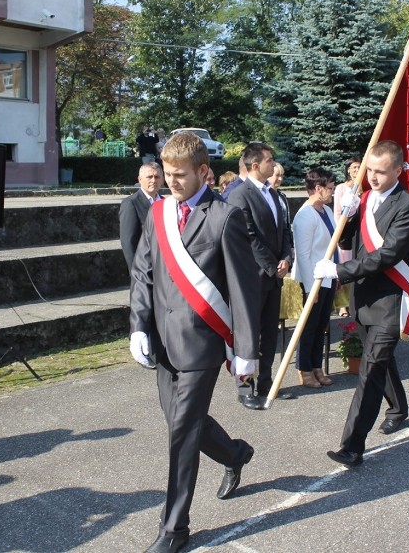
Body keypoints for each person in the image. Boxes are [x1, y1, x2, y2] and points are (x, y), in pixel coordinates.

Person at [129, 132, 261, 553]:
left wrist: (246, 351)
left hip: (203, 345)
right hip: (164, 344)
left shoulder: (225, 216)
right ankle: (235, 454)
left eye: (179, 175)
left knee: (182, 432)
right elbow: (143, 273)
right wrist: (137, 326)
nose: (171, 182)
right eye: (166, 174)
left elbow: (243, 290)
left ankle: (174, 529)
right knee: (182, 425)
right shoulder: (159, 214)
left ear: (203, 171)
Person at [314, 141, 409, 466]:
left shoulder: (408, 206)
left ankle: (352, 446)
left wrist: (339, 270)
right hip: (363, 298)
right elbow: (349, 241)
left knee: (371, 369)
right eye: (369, 170)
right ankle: (399, 407)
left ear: (398, 171)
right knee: (382, 363)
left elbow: (387, 255)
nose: (372, 177)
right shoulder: (363, 199)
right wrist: (346, 217)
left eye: (380, 171)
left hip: (390, 300)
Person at [227, 142, 295, 409]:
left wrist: (287, 259)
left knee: (269, 333)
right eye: (269, 160)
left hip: (274, 275)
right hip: (252, 277)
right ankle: (245, 387)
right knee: (248, 334)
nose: (273, 163)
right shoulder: (240, 195)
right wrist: (271, 265)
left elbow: (285, 232)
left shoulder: (274, 194)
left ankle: (266, 383)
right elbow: (249, 236)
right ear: (255, 165)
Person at [291, 167, 338, 388]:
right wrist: (311, 288)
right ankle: (304, 368)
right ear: (318, 189)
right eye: (330, 188)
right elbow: (303, 255)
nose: (333, 192)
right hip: (311, 281)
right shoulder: (305, 215)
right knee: (308, 327)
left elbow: (332, 244)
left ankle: (317, 365)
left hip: (327, 277)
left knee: (322, 325)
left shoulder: (326, 211)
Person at [119, 162, 164, 274]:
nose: (154, 180)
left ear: (162, 180)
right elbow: (128, 241)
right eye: (149, 177)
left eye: (157, 177)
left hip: (164, 268)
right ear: (139, 179)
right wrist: (136, 272)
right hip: (144, 268)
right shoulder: (131, 203)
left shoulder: (166, 203)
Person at [332, 156, 361, 317]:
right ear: (348, 170)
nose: (356, 170)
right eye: (354, 168)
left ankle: (353, 301)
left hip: (358, 231)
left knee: (355, 265)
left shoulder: (365, 187)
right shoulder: (341, 188)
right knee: (343, 266)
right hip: (344, 232)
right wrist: (338, 231)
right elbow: (337, 211)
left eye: (359, 167)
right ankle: (342, 304)